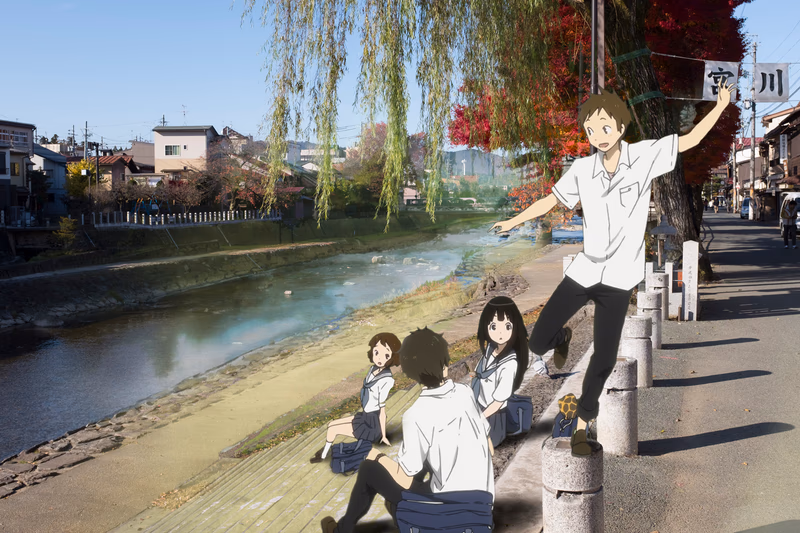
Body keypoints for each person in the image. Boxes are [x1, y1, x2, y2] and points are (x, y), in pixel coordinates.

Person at [490, 79, 734, 456]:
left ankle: (584, 425)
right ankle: (561, 339)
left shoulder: (643, 156)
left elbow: (687, 141)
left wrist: (719, 107)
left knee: (604, 358)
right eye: (591, 130)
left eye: (606, 127)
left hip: (619, 277)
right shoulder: (582, 170)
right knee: (537, 341)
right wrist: (513, 221)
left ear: (620, 127)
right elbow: (550, 202)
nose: (599, 135)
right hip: (585, 270)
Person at [320, 327, 494, 533]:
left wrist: (379, 458)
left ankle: (342, 530)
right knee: (426, 460)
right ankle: (400, 511)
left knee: (369, 469)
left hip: (449, 510)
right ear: (446, 364)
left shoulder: (416, 413)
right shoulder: (465, 393)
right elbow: (488, 446)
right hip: (482, 507)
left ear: (412, 373)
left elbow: (405, 475)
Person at [311, 332, 400, 463]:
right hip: (365, 417)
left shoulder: (386, 380)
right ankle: (324, 453)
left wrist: (383, 435)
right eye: (377, 352)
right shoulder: (373, 369)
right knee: (331, 424)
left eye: (386, 355)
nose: (380, 358)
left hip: (371, 425)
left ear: (392, 357)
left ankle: (323, 455)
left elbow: (382, 410)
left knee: (333, 428)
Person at [470, 296, 530, 447]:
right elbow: (483, 371)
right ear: (486, 326)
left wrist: (478, 418)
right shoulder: (491, 348)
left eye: (507, 327)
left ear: (515, 327)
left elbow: (498, 401)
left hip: (494, 417)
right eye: (494, 327)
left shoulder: (509, 364)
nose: (500, 333)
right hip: (480, 406)